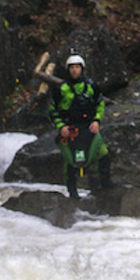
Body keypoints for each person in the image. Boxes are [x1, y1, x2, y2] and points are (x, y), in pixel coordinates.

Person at [48, 53, 114, 199]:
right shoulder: (61, 88)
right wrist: (61, 127)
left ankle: (105, 182)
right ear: (68, 70)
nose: (74, 70)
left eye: (77, 67)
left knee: (102, 152)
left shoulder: (91, 86)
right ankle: (73, 192)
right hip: (69, 129)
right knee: (71, 160)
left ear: (82, 69)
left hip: (88, 127)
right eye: (72, 68)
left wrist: (97, 121)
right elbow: (53, 110)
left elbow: (100, 103)